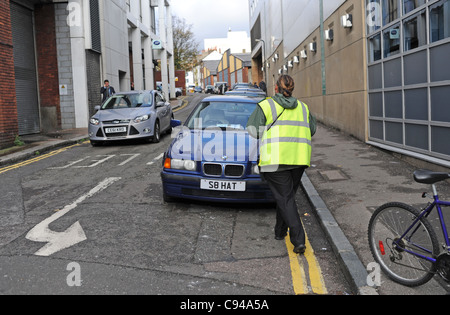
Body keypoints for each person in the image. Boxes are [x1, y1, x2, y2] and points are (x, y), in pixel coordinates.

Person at [247, 75, 316, 255]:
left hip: (274, 161)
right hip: (299, 159)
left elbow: (253, 130)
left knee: (284, 198)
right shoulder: (303, 107)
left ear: (276, 88)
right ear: (291, 89)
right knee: (286, 197)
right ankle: (279, 231)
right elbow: (312, 129)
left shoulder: (266, 105)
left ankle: (298, 240)